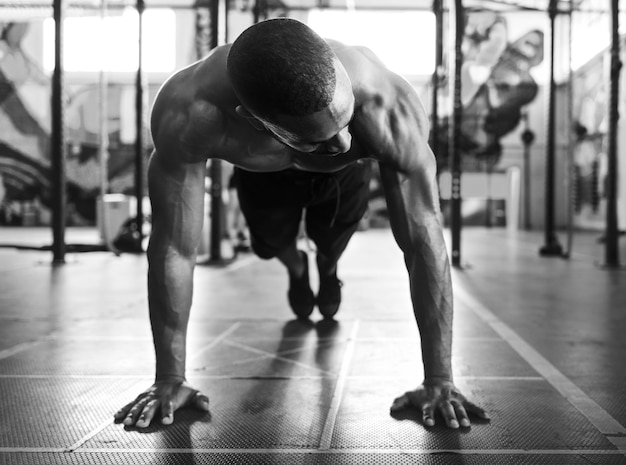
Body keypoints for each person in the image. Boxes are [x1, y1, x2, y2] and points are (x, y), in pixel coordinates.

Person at [114, 18, 489, 430]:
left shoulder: (385, 101)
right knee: (272, 244)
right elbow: (173, 248)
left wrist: (439, 379)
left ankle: (327, 268)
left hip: (343, 177)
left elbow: (423, 240)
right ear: (254, 120)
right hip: (261, 175)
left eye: (345, 121)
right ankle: (297, 269)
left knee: (330, 243)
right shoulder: (190, 109)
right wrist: (169, 378)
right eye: (320, 138)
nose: (343, 142)